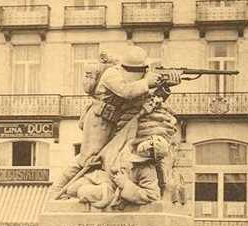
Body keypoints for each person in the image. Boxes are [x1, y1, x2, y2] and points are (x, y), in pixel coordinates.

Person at [52, 46, 176, 195]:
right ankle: (57, 190)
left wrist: (165, 86)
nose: (141, 74)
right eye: (137, 71)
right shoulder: (112, 75)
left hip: (114, 121)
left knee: (109, 156)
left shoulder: (130, 76)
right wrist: (147, 82)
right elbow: (127, 92)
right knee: (88, 158)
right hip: (99, 119)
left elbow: (143, 96)